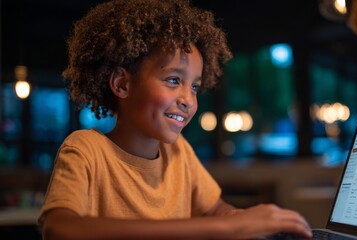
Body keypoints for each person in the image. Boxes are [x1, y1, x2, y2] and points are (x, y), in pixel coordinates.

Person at [38, 0, 312, 239]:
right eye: (173, 80)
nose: (188, 100)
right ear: (122, 84)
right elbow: (59, 229)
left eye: (194, 86)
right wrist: (226, 229)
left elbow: (214, 208)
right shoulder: (86, 149)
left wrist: (238, 219)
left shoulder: (178, 152)